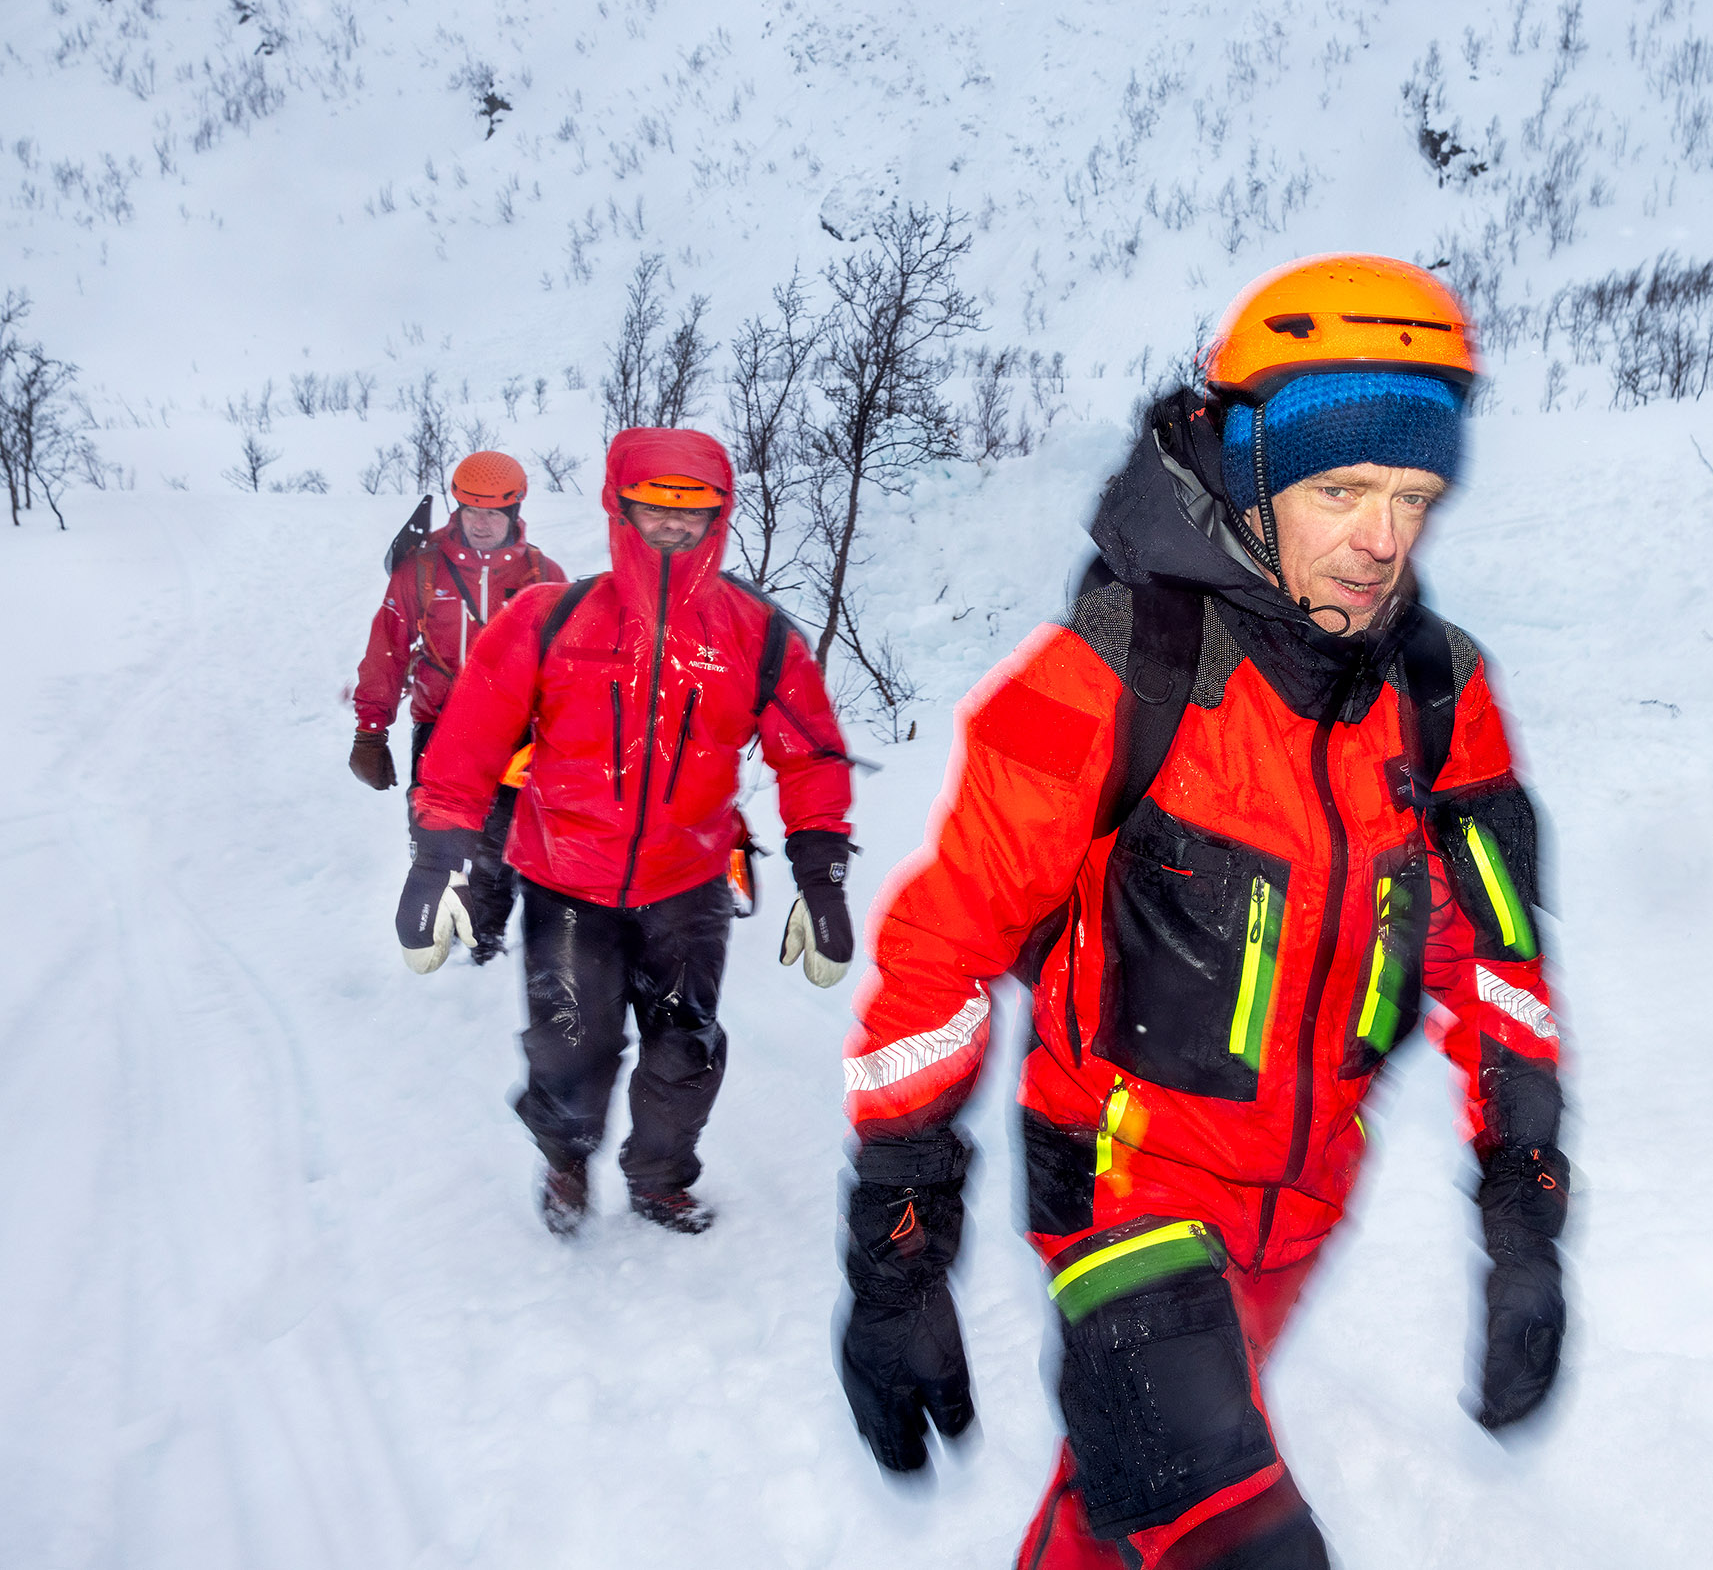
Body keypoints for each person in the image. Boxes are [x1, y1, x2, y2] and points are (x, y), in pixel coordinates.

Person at [835, 255, 1569, 1568]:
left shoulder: (1443, 697)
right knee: (1236, 1539)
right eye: (1341, 489)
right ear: (1248, 468)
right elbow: (944, 942)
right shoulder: (1118, 672)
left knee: (1126, 1502)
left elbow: (1497, 951)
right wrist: (897, 1234)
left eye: (1413, 495)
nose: (1382, 537)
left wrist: (1522, 1198)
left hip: (1300, 1196)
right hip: (1123, 1184)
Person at [394, 428, 861, 1236]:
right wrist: (436, 864)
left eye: (694, 511)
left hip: (689, 882)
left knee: (687, 1049)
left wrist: (820, 872)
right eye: (655, 508)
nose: (673, 526)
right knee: (570, 1046)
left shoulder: (755, 632)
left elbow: (810, 752)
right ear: (620, 507)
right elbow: (467, 744)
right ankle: (567, 1158)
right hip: (564, 881)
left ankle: (658, 1177)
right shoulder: (551, 617)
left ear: (721, 515)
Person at [352, 450, 567, 961]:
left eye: (495, 512)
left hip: (515, 733)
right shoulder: (423, 569)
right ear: (457, 508)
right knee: (435, 834)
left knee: (501, 842)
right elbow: (387, 646)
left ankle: (484, 941)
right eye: (472, 510)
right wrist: (369, 731)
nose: (482, 523)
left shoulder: (544, 573)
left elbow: (566, 664)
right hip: (438, 722)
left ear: (515, 512)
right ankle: (433, 925)